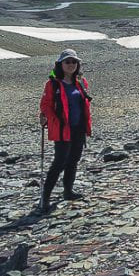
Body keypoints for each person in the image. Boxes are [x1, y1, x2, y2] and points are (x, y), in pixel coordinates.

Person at [38, 48, 93, 214]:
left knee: (73, 159)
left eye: (74, 62)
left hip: (78, 128)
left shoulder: (79, 82)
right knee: (59, 162)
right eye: (67, 62)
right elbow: (45, 104)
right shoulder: (53, 84)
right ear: (60, 64)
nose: (71, 65)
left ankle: (68, 191)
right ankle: (45, 198)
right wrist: (50, 118)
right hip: (63, 129)